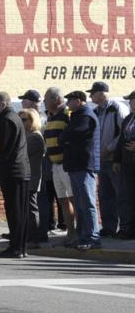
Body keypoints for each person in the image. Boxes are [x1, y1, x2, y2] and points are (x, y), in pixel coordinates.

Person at [0, 92, 30, 258]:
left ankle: (16, 248)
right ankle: (20, 247)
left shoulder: (7, 120)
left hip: (12, 172)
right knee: (19, 211)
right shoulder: (12, 118)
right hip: (18, 171)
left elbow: (0, 148)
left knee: (15, 211)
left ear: (3, 104)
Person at [90, 82, 130, 238]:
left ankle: (125, 227)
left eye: (93, 93)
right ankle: (108, 228)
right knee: (105, 195)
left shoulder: (117, 108)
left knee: (121, 195)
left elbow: (125, 132)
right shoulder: (96, 111)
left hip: (114, 160)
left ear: (101, 93)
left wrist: (110, 148)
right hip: (101, 161)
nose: (91, 96)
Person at [63, 90, 101, 250]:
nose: (67, 104)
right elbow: (68, 135)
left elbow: (74, 134)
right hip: (75, 165)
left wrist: (63, 136)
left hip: (84, 165)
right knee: (79, 203)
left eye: (70, 101)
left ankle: (93, 238)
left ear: (78, 100)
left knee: (87, 202)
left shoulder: (85, 115)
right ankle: (83, 236)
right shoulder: (77, 115)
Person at [43, 89, 75, 240]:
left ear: (56, 99)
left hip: (66, 164)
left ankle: (80, 231)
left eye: (46, 99)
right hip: (54, 165)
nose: (44, 102)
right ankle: (71, 232)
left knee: (74, 198)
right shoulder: (51, 116)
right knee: (63, 200)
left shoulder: (67, 114)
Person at [19, 109, 46, 247]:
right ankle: (28, 236)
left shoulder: (35, 137)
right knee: (26, 208)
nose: (21, 122)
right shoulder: (27, 136)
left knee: (31, 208)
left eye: (24, 120)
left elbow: (21, 154)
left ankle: (34, 238)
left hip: (32, 177)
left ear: (32, 120)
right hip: (26, 177)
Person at [117, 91, 135, 240]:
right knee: (128, 197)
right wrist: (117, 159)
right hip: (127, 163)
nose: (130, 104)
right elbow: (121, 140)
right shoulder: (128, 119)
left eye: (132, 101)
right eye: (130, 101)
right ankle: (129, 229)